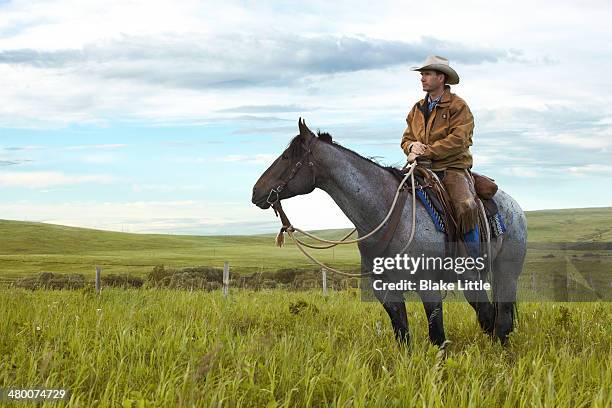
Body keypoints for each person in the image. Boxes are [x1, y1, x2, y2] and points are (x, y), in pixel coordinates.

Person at [400, 55, 480, 258]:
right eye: (422, 74)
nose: (422, 78)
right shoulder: (416, 109)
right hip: (421, 169)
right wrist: (411, 146)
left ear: (441, 78)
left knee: (464, 206)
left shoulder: (458, 106)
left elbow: (459, 140)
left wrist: (427, 150)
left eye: (427, 74)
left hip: (452, 168)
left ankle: (475, 260)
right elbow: (406, 138)